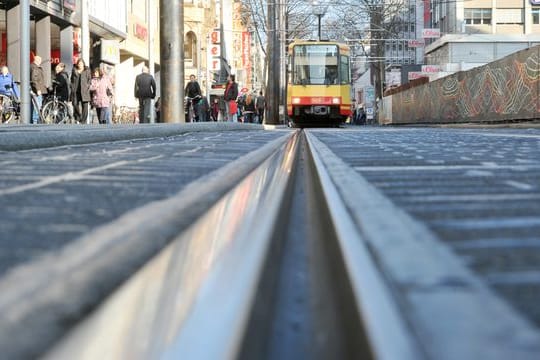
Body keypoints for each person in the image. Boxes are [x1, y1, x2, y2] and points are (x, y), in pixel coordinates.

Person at [71, 58, 92, 124]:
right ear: (77, 64)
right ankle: (78, 117)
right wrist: (72, 86)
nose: (80, 65)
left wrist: (87, 86)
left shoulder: (87, 70)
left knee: (85, 106)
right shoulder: (74, 70)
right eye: (79, 64)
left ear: (83, 64)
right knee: (75, 104)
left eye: (81, 64)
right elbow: (71, 79)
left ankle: (83, 121)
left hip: (84, 90)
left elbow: (89, 79)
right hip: (76, 90)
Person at [30, 55, 47, 124]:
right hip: (37, 90)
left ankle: (34, 120)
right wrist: (38, 89)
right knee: (37, 106)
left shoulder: (32, 66)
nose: (41, 62)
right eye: (40, 60)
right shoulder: (35, 67)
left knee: (35, 105)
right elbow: (34, 79)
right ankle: (35, 121)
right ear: (37, 60)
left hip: (36, 89)